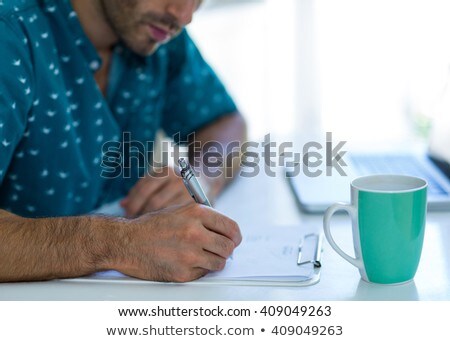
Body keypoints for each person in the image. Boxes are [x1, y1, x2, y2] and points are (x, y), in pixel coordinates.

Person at [0, 0, 246, 282]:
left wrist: (204, 174)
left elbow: (225, 121)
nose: (184, 16)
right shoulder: (9, 34)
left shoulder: (157, 34)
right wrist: (122, 242)